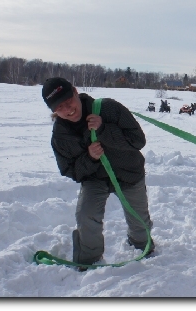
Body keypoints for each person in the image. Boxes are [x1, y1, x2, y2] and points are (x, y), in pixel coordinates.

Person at [42, 77, 155, 269]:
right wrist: (90, 158)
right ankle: (88, 261)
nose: (67, 109)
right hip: (94, 178)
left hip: (129, 172)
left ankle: (142, 247)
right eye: (59, 107)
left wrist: (104, 129)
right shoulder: (61, 135)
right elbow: (69, 170)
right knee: (86, 215)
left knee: (138, 217)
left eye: (68, 101)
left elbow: (138, 141)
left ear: (75, 91)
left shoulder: (108, 108)